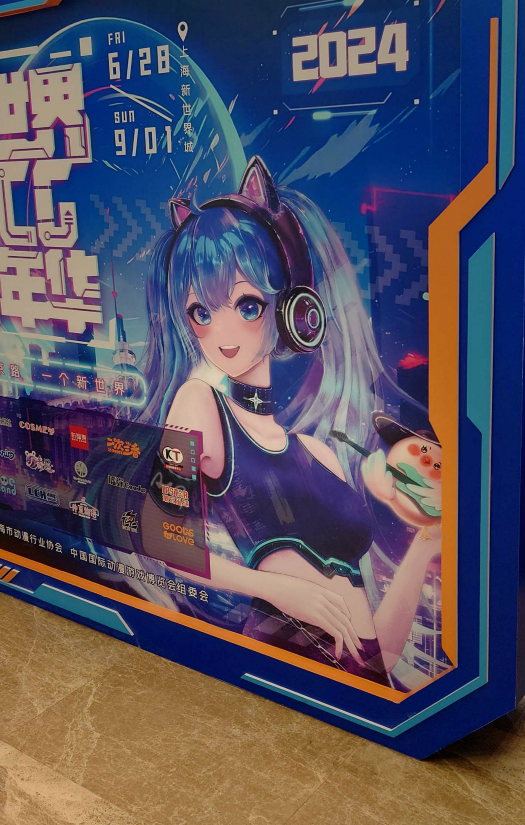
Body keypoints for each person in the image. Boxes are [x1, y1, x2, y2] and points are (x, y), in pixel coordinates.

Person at [139, 157, 442, 686]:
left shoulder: (317, 451)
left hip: (366, 682)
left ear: (294, 308)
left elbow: (382, 652)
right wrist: (277, 589)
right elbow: (160, 537)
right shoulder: (200, 404)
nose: (222, 334)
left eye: (246, 305)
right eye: (201, 313)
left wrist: (425, 546)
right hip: (282, 659)